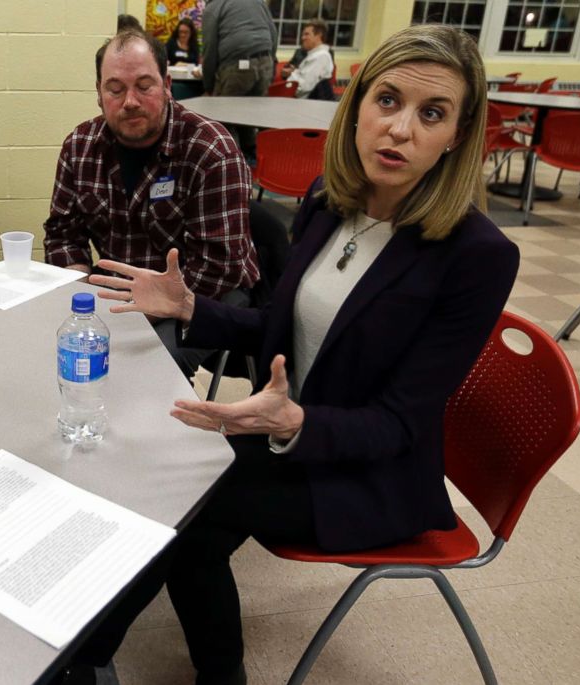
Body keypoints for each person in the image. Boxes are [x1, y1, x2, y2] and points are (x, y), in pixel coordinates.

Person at [55, 24, 520, 685]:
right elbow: (281, 325)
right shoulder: (331, 203)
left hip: (370, 473)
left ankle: (79, 658)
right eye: (387, 101)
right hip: (294, 432)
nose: (401, 130)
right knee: (176, 486)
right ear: (357, 105)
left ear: (456, 135)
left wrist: (296, 423)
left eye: (432, 113)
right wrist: (190, 307)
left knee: (190, 505)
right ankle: (166, 665)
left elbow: (400, 423)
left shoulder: (476, 257)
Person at [43, 28, 260, 378]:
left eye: (144, 86)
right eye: (115, 89)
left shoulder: (210, 149)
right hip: (121, 293)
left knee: (141, 375)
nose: (130, 101)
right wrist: (80, 291)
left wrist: (147, 310)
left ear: (167, 85)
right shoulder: (80, 146)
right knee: (61, 348)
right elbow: (62, 235)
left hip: (205, 296)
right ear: (99, 95)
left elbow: (219, 267)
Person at [200, 0, 276, 153]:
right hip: (265, 61)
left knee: (223, 117)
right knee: (250, 116)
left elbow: (209, 48)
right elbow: (273, 32)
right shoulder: (257, 2)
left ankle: (231, 162)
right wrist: (270, 61)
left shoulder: (213, 7)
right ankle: (251, 158)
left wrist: (208, 85)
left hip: (237, 65)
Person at [280, 19, 335, 100]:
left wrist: (291, 75)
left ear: (319, 35)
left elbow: (303, 87)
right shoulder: (314, 55)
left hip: (306, 105)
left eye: (307, 34)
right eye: (303, 35)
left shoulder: (321, 57)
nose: (303, 38)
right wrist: (294, 73)